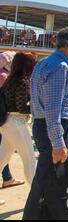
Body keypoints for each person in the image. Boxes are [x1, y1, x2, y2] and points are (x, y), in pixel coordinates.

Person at [24, 27, 68, 219]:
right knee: (50, 174)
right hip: (54, 127)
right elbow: (52, 108)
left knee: (54, 173)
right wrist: (57, 142)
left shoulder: (43, 63)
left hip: (45, 125)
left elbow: (35, 99)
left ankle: (63, 213)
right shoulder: (60, 67)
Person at [0, 53, 37, 206]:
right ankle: (38, 196)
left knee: (2, 159)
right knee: (30, 159)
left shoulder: (9, 79)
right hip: (17, 123)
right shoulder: (21, 81)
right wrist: (36, 108)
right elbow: (22, 107)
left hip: (7, 122)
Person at [0, 51, 25, 191]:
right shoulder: (5, 76)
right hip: (5, 118)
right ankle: (7, 178)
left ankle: (7, 177)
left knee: (3, 152)